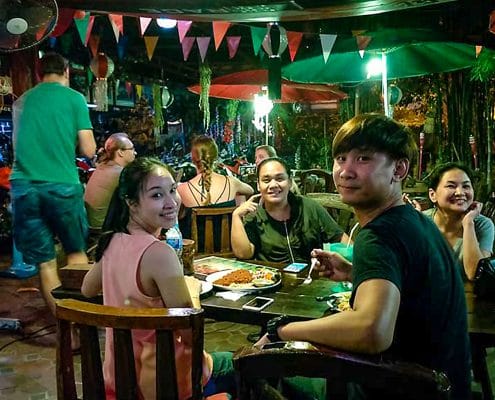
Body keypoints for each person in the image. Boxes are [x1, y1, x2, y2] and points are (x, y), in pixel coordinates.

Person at [255, 114, 471, 400]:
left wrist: (282, 330)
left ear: (399, 168)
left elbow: (372, 330)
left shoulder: (378, 235)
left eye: (364, 159)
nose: (345, 171)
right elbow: (411, 289)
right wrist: (356, 272)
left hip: (400, 388)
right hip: (444, 386)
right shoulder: (414, 221)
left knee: (241, 369)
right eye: (341, 158)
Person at [81, 157, 235, 400]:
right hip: (165, 383)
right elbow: (188, 331)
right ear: (131, 203)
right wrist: (191, 289)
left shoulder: (113, 241)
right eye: (156, 195)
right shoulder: (159, 253)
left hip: (120, 380)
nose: (171, 202)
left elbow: (87, 289)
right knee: (248, 363)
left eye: (172, 190)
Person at [9, 52, 96, 316]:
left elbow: (16, 145)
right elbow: (89, 148)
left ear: (39, 74)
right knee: (75, 253)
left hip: (23, 185)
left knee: (46, 263)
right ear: (66, 72)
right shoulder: (74, 99)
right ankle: (82, 322)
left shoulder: (22, 101)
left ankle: (64, 330)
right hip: (60, 185)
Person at [231, 157, 350, 264]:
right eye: (266, 180)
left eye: (280, 178)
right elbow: (244, 254)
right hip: (273, 281)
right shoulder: (254, 214)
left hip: (314, 278)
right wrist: (236, 216)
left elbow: (341, 240)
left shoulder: (309, 207)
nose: (273, 185)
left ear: (289, 182)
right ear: (258, 185)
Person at [420, 162, 494, 281]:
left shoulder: (483, 225)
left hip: (468, 297)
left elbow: (475, 274)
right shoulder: (420, 223)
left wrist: (468, 223)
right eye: (451, 186)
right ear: (433, 195)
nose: (460, 192)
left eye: (466, 186)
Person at [177, 135, 253, 250]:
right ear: (215, 156)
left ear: (192, 159)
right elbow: (250, 191)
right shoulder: (231, 183)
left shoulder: (182, 189)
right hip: (231, 253)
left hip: (195, 257)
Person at [84, 132, 136, 229]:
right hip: (103, 229)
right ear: (120, 152)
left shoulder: (103, 166)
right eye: (132, 149)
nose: (135, 152)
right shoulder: (119, 172)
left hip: (92, 225)